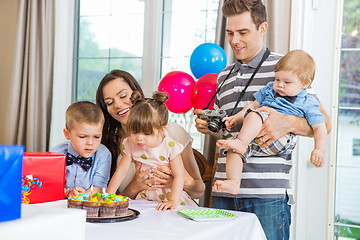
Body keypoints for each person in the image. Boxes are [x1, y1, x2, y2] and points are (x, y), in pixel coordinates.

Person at [194, 0, 331, 239]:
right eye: (230, 33)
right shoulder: (224, 76)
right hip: (224, 190)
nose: (234, 40)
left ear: (262, 28)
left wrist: (287, 123)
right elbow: (228, 130)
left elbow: (324, 124)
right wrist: (209, 126)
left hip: (266, 197)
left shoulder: (285, 69)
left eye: (243, 32)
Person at [214, 49, 327, 195]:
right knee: (233, 150)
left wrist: (319, 149)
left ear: (305, 83)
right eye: (277, 79)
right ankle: (234, 182)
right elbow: (251, 106)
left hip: (281, 140)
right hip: (257, 139)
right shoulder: (269, 90)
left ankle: (241, 142)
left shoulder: (307, 102)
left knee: (257, 115)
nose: (280, 85)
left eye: (287, 82)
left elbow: (320, 127)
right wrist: (236, 118)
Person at [96, 69, 204, 201]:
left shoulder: (172, 134)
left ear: (136, 94)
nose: (118, 105)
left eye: (123, 96)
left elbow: (199, 191)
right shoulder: (113, 144)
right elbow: (116, 197)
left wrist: (175, 181)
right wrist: (135, 186)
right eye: (109, 102)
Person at [106, 91, 198, 210]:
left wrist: (173, 201)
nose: (139, 138)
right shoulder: (131, 144)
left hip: (170, 195)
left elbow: (179, 176)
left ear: (162, 130)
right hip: (146, 195)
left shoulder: (170, 146)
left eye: (146, 133)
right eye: (134, 132)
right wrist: (108, 195)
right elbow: (121, 171)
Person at [51, 101, 111, 198]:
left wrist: (83, 196)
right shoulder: (55, 153)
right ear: (67, 134)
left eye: (96, 137)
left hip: (90, 205)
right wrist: (64, 192)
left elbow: (99, 187)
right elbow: (50, 184)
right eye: (83, 137)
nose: (90, 143)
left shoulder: (104, 155)